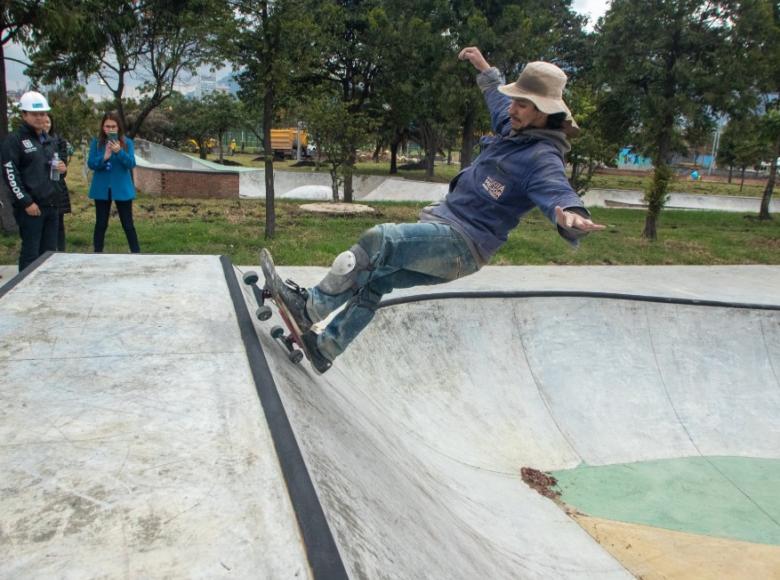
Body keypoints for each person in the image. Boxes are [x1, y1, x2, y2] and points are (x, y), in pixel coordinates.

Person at [274, 46, 605, 374]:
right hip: (453, 238)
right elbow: (497, 98)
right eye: (516, 101)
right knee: (373, 280)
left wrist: (573, 217)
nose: (514, 109)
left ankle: (311, 306)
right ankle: (326, 347)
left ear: (545, 112)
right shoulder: (514, 125)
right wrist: (485, 69)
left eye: (523, 104)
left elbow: (557, 190)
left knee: (381, 240)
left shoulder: (542, 158)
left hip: (461, 243)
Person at [1, 91, 66, 271]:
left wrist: (61, 169)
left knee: (50, 253)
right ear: (24, 115)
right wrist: (26, 201)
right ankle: (24, 290)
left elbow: (53, 168)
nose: (40, 118)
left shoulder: (49, 140)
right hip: (31, 207)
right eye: (35, 114)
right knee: (31, 252)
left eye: (43, 114)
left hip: (51, 204)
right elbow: (10, 174)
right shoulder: (15, 141)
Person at [88, 112, 140, 253]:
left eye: (113, 126)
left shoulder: (126, 142)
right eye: (107, 126)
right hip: (102, 188)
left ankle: (136, 253)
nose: (110, 129)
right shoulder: (96, 142)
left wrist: (119, 152)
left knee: (128, 224)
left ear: (118, 127)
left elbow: (131, 163)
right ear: (102, 127)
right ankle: (97, 253)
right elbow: (91, 164)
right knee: (101, 223)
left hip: (121, 188)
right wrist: (104, 157)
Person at [43, 115, 72, 251]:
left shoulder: (59, 141)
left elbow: (63, 169)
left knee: (58, 224)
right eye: (43, 122)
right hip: (38, 188)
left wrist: (62, 168)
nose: (45, 124)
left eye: (48, 122)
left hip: (56, 186)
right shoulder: (29, 142)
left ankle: (60, 252)